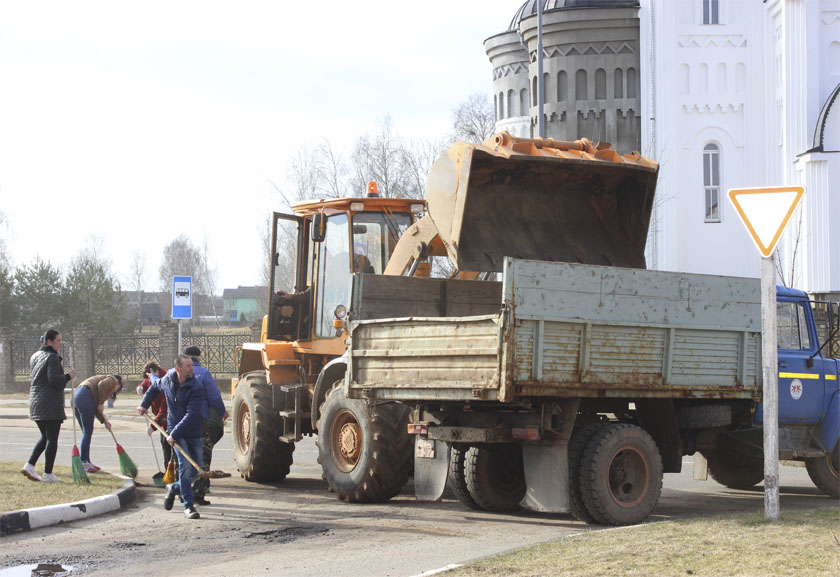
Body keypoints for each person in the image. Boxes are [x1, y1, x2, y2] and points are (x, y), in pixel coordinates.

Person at [137, 355, 206, 520]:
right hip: (175, 430)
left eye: (192, 365)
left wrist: (173, 434)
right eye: (188, 366)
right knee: (185, 467)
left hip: (192, 431)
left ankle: (174, 488)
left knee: (197, 471)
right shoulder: (167, 380)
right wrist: (144, 405)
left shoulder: (195, 387)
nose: (192, 369)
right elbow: (154, 387)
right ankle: (189, 506)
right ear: (178, 369)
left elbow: (191, 414)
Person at [21, 329, 75, 483]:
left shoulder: (35, 356)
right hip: (49, 403)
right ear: (49, 341)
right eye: (58, 340)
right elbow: (54, 380)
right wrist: (68, 376)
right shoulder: (52, 357)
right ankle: (48, 473)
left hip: (36, 402)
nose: (60, 343)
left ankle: (29, 465)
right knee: (52, 439)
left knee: (45, 437)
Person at [183, 346, 228, 505]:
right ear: (199, 358)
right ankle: (198, 493)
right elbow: (214, 397)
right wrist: (223, 412)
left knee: (183, 457)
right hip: (200, 423)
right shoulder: (203, 374)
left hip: (180, 424)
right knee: (202, 457)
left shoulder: (175, 373)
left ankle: (183, 491)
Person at [73, 374, 121, 472]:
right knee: (87, 431)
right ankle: (83, 462)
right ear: (118, 383)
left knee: (86, 432)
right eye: (118, 388)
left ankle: (87, 461)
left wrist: (104, 421)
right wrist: (100, 403)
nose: (115, 390)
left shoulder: (96, 390)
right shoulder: (112, 380)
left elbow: (95, 408)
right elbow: (102, 385)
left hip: (76, 397)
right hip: (83, 397)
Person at [139, 361, 171, 469]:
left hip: (170, 421)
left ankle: (171, 471)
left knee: (168, 444)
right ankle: (168, 471)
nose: (148, 379)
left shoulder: (165, 382)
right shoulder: (153, 377)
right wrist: (141, 388)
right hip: (162, 420)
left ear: (154, 372)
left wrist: (152, 427)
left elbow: (164, 411)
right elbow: (148, 383)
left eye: (150, 376)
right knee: (164, 443)